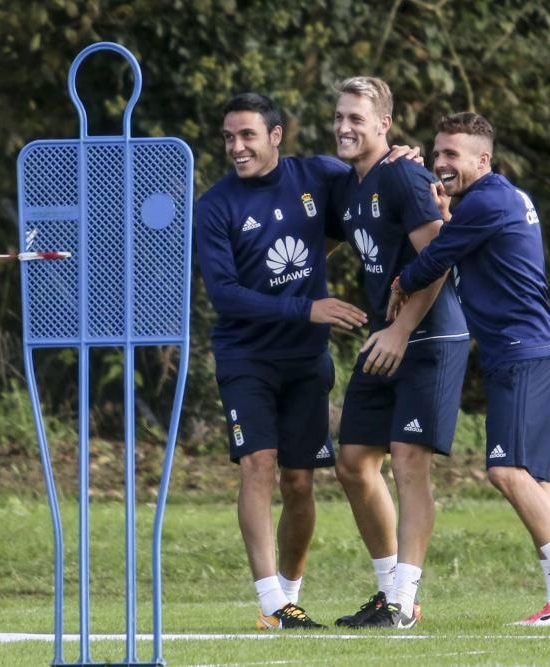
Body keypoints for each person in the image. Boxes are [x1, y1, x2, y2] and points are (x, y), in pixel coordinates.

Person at [387, 111, 550, 626]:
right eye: (437, 153)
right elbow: (464, 239)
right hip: (534, 348)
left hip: (523, 351)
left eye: (452, 155)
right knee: (537, 479)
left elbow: (437, 257)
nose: (441, 163)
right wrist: (446, 211)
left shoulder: (486, 200)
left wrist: (401, 281)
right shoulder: (499, 197)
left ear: (483, 159)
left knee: (507, 471)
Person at [195, 93, 368, 630]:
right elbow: (224, 295)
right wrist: (306, 307)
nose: (236, 147)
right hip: (245, 357)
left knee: (300, 483)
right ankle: (270, 599)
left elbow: (372, 186)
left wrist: (401, 158)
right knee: (258, 465)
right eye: (228, 137)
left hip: (305, 360)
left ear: (276, 135)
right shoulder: (215, 205)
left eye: (247, 135)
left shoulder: (316, 175)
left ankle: (289, 598)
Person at [327, 77, 470, 629]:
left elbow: (439, 257)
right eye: (339, 117)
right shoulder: (349, 184)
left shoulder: (407, 175)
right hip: (386, 337)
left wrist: (401, 331)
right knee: (354, 464)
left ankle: (404, 602)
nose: (344, 127)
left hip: (427, 338)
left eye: (356, 119)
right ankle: (390, 592)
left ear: (384, 123)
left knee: (408, 464)